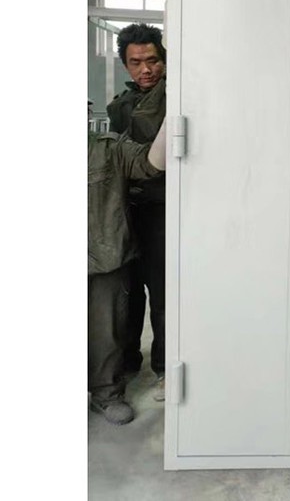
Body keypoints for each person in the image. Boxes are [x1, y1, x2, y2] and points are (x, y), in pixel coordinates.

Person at [88, 109, 166, 424]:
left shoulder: (109, 148)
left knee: (107, 332)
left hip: (106, 257)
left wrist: (174, 117)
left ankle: (106, 395)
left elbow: (151, 164)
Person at [107, 23, 167, 400]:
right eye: (136, 62)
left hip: (163, 210)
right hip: (125, 211)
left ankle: (164, 367)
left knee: (162, 293)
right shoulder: (120, 106)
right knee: (127, 294)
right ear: (125, 65)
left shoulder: (176, 96)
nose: (146, 69)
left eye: (153, 60)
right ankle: (127, 361)